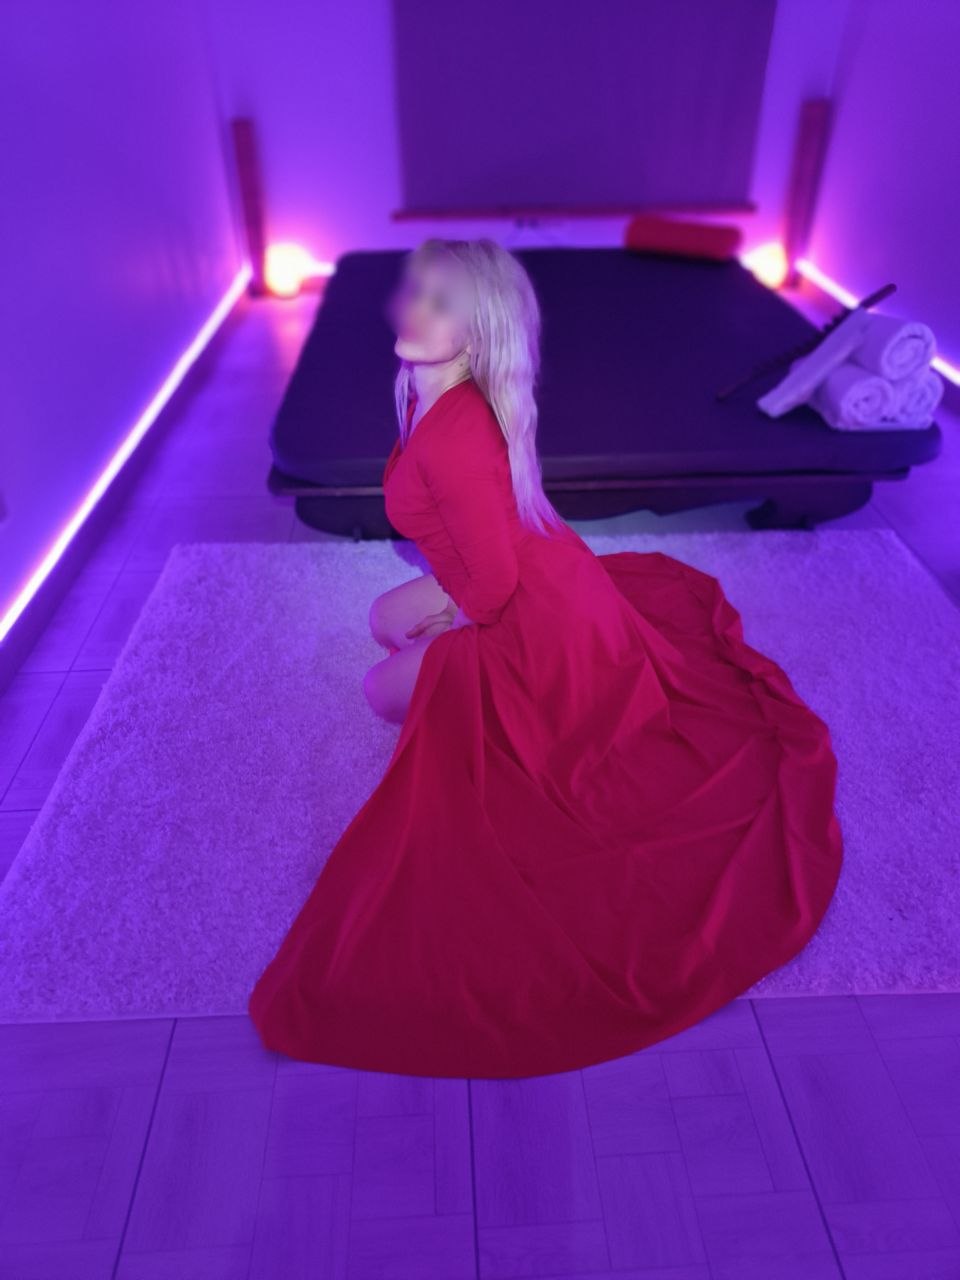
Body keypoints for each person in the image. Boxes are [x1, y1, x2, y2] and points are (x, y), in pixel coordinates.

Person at [247, 237, 844, 1079]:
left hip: (529, 616)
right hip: (531, 572)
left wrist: (458, 617)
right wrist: (450, 596)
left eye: (442, 303)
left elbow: (492, 589)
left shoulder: (457, 433)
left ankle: (490, 674)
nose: (413, 308)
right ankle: (452, 645)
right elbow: (482, 541)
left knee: (382, 693)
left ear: (477, 329)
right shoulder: (430, 393)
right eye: (419, 290)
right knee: (385, 620)